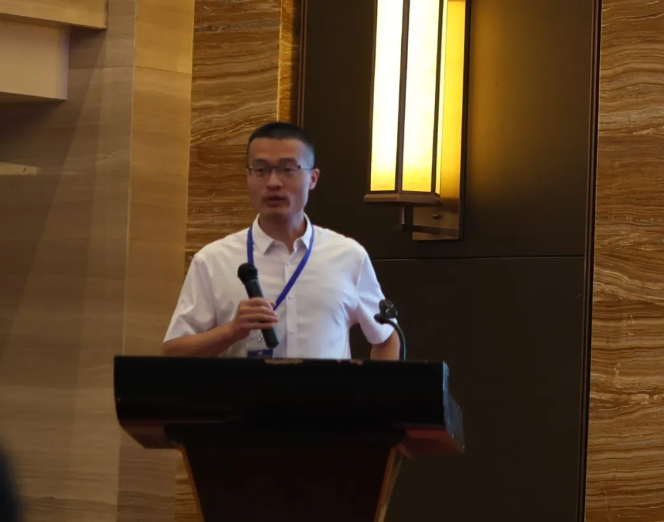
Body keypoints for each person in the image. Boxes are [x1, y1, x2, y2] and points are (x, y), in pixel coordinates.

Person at [162, 121, 399, 360]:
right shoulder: (213, 261)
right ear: (248, 176)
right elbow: (172, 352)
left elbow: (387, 338)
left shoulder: (348, 256)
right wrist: (231, 331)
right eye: (261, 170)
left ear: (313, 178)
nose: (273, 182)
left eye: (288, 169)